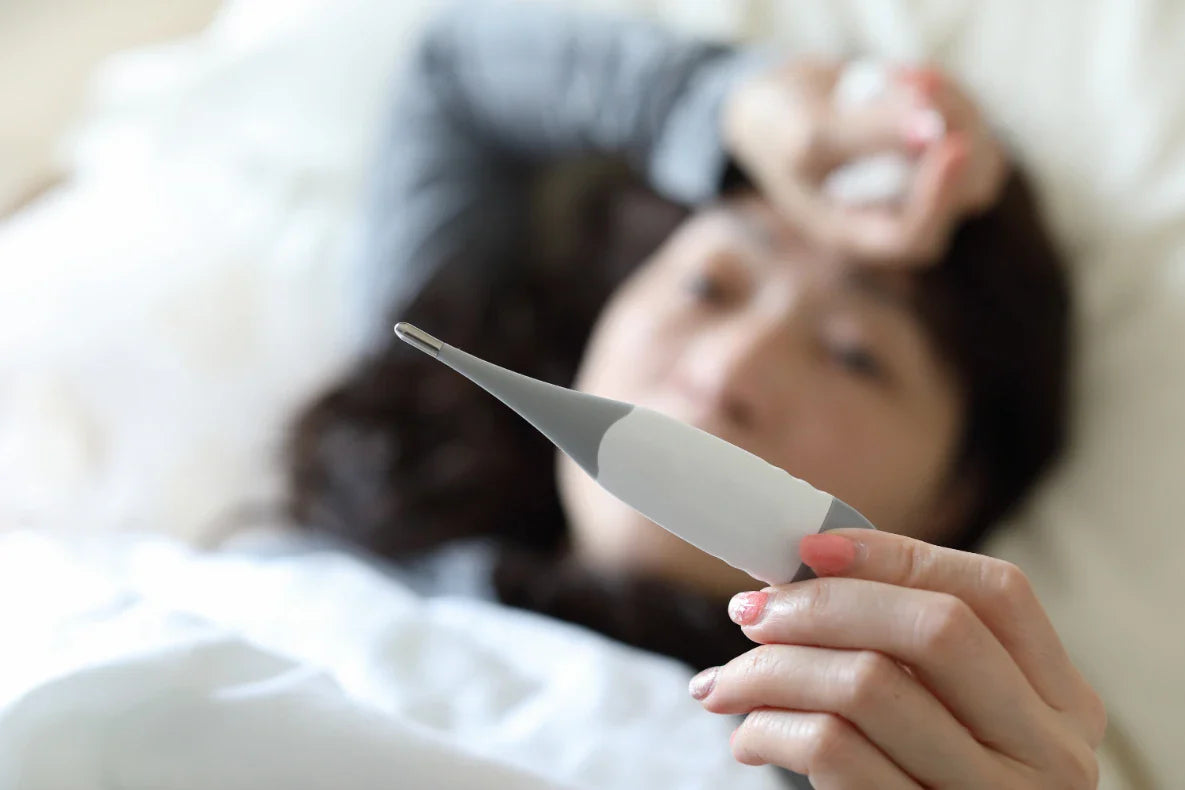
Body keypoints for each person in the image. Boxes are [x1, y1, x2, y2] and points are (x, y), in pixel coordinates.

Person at [286, 2, 1104, 786]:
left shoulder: (867, 773)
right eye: (708, 285)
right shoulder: (406, 450)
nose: (730, 369)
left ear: (953, 495)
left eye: (853, 356)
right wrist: (735, 109)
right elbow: (457, 71)